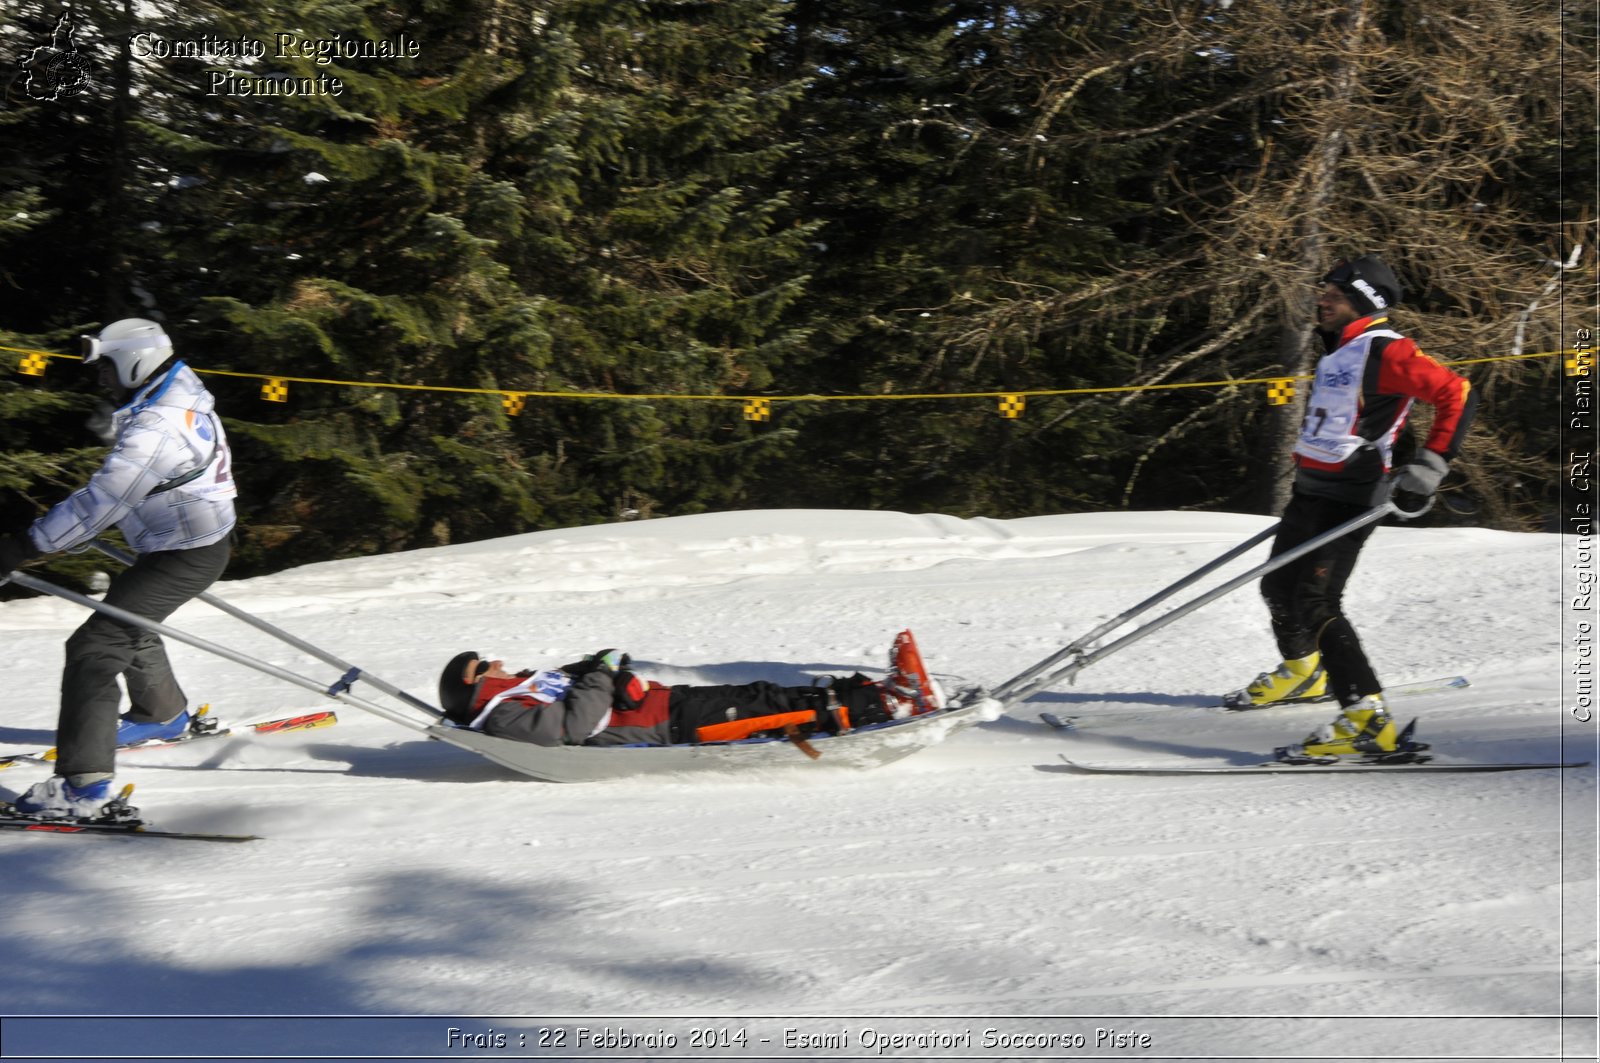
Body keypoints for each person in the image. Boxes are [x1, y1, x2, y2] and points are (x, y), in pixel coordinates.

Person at [1237, 254, 1477, 759]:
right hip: (1313, 489)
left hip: (1353, 495)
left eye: (1335, 294)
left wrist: (1430, 467)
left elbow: (1457, 392)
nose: (1321, 299)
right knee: (1278, 585)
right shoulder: (1340, 349)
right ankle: (1303, 670)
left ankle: (1367, 720)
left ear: (1364, 302)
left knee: (1317, 600)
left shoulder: (1385, 350)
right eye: (1324, 290)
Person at [0, 319, 237, 816]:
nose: (101, 378)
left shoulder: (157, 426)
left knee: (96, 645)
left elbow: (101, 504)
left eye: (106, 366)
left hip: (185, 550)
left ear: (134, 361)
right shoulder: (175, 392)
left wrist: (23, 547)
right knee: (128, 618)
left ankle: (81, 788)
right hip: (183, 538)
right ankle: (163, 713)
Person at [438, 644, 939, 749]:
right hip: (670, 726)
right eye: (486, 666)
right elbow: (572, 727)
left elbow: (587, 683)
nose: (498, 663)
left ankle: (877, 693)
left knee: (763, 694)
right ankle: (892, 706)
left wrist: (602, 666)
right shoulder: (502, 716)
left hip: (668, 702)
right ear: (476, 686)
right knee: (770, 710)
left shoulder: (517, 689)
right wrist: (602, 674)